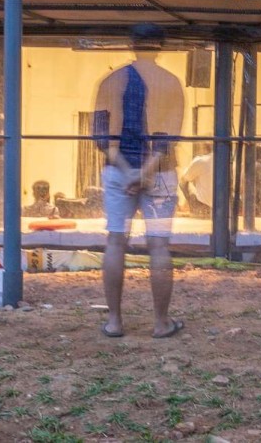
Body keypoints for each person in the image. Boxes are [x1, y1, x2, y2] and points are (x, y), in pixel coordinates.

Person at [92, 23, 186, 339]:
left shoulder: (110, 80)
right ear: (160, 46)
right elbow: (167, 137)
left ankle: (115, 322)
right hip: (159, 174)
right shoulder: (170, 83)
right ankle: (161, 323)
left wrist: (129, 170)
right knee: (159, 245)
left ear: (132, 44)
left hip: (119, 172)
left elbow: (103, 137)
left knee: (116, 241)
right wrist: (146, 171)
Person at [179, 143, 213, 219]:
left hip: (204, 202)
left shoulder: (200, 161)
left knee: (183, 182)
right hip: (222, 203)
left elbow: (183, 180)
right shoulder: (224, 160)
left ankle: (197, 210)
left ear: (203, 148)